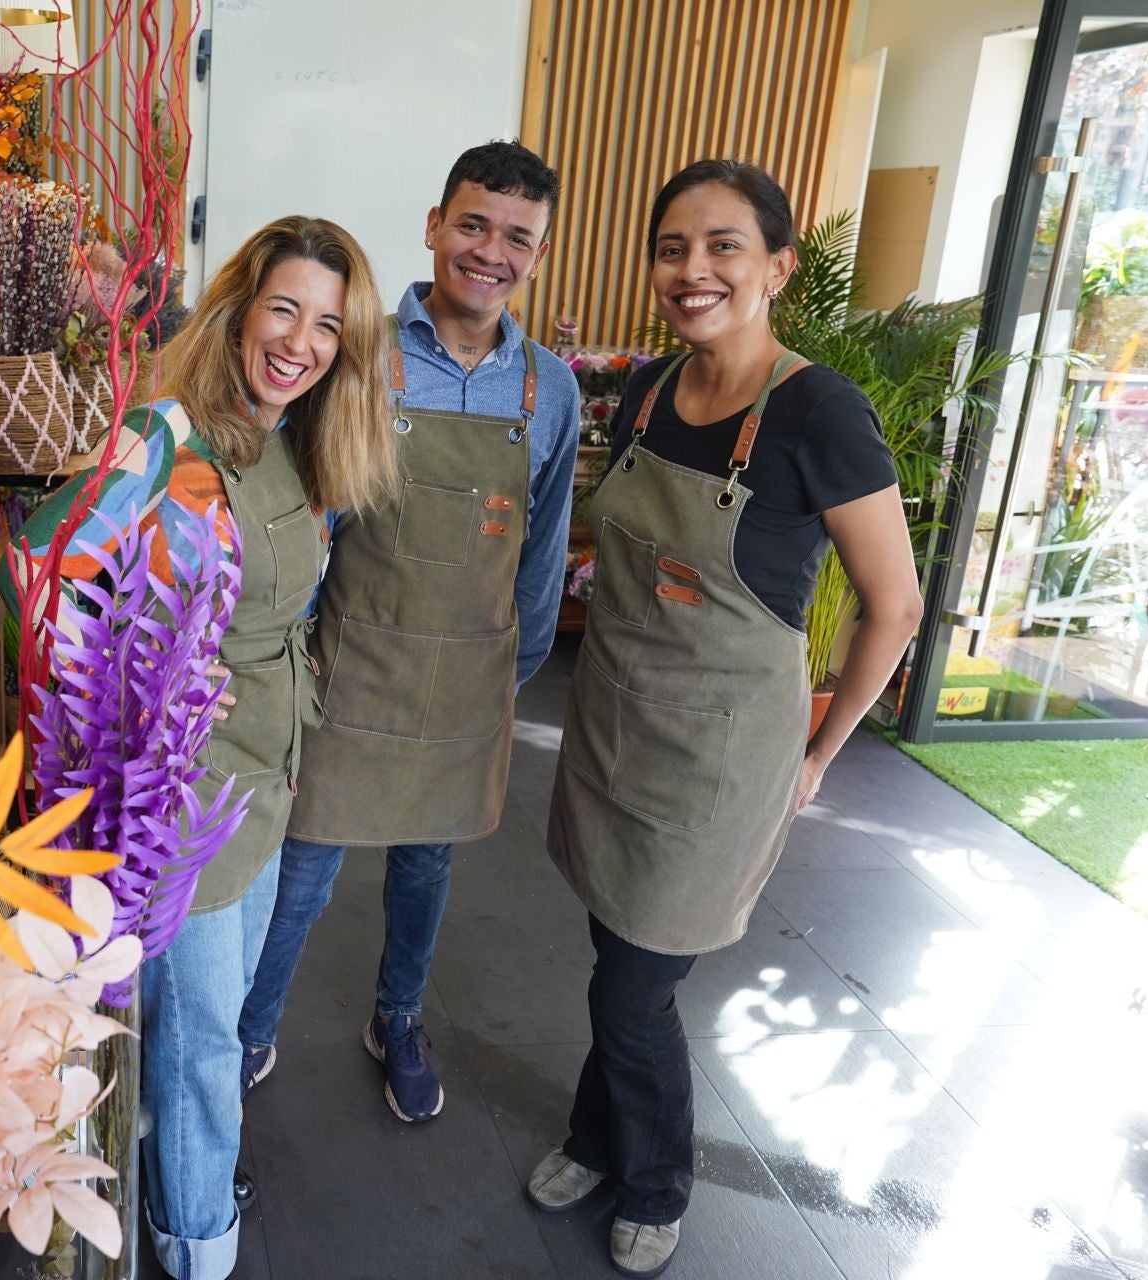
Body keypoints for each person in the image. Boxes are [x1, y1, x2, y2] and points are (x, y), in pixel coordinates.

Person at [525, 159, 923, 1278]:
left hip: (721, 758)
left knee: (633, 982)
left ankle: (653, 1177)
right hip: (615, 728)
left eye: (722, 246)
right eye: (671, 248)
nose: (691, 270)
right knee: (617, 948)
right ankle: (599, 1137)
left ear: (778, 266)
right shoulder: (650, 389)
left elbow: (895, 605)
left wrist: (820, 754)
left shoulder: (818, 411)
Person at [0, 216, 396, 1280]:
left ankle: (176, 1182)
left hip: (268, 776)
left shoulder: (299, 443)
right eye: (284, 309)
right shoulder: (171, 437)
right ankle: (196, 1242)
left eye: (326, 325)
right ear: (240, 308)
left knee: (205, 1022)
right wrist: (120, 701)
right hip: (187, 789)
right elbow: (36, 566)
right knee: (202, 1039)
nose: (300, 342)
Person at [236, 141, 581, 1123]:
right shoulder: (362, 354)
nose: (490, 251)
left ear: (538, 254)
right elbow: (312, 520)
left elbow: (543, 544)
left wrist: (514, 670)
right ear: (434, 226)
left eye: (518, 236)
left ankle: (397, 1017)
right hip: (354, 662)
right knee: (303, 869)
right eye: (473, 224)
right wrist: (290, 669)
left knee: (426, 872)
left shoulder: (546, 390)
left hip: (469, 677)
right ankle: (255, 1029)